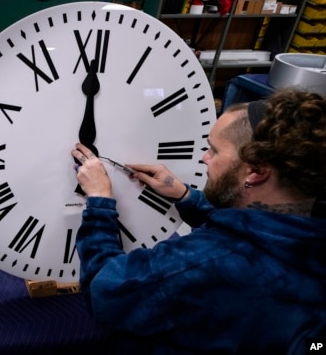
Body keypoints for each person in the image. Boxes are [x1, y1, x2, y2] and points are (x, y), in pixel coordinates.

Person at [71, 88, 326, 354]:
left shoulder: (199, 265)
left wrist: (100, 201)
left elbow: (104, 292)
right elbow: (259, 232)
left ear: (257, 171)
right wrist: (185, 196)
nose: (204, 158)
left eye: (214, 151)